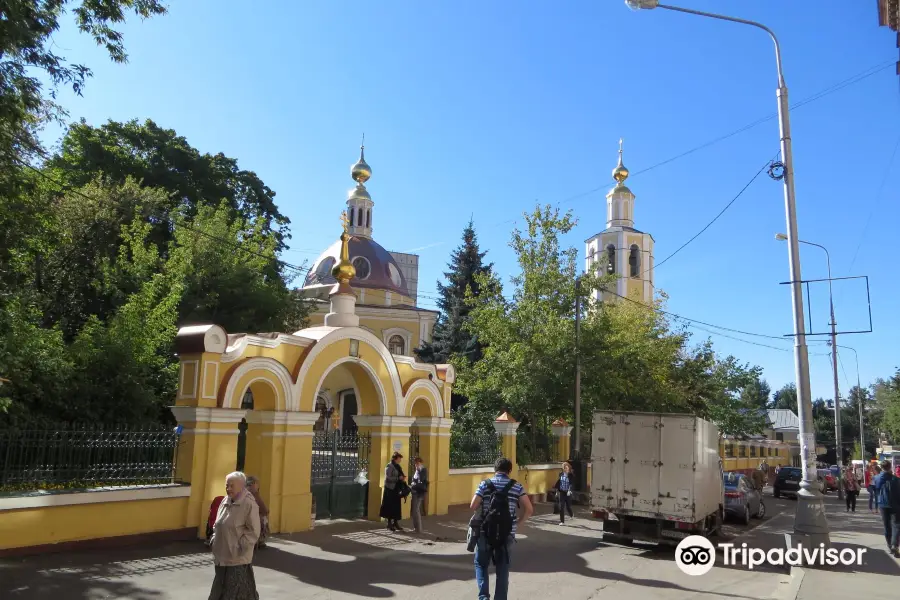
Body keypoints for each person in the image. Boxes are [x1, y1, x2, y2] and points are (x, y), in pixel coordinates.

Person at [470, 457, 534, 600]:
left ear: (495, 469)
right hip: (507, 534)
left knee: (481, 564)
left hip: (485, 532)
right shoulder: (516, 486)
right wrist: (518, 522)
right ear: (509, 471)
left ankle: (484, 597)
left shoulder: (484, 484)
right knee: (503, 569)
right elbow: (529, 509)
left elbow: (473, 506)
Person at [208, 471, 261, 600]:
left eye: (232, 486)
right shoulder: (225, 501)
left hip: (237, 559)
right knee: (219, 591)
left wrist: (239, 547)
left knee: (235, 593)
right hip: (221, 556)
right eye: (227, 485)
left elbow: (254, 531)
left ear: (241, 486)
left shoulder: (248, 504)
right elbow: (217, 523)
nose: (228, 488)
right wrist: (214, 539)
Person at [873, 460, 900, 556]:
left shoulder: (876, 478)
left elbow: (874, 492)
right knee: (896, 525)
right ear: (890, 467)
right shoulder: (896, 479)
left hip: (882, 504)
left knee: (887, 525)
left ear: (882, 467)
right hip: (895, 505)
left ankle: (889, 545)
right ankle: (894, 545)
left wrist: (875, 506)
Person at [380, 451, 406, 531]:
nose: (400, 460)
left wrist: (402, 477)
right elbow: (388, 478)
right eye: (399, 458)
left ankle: (395, 522)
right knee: (389, 506)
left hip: (396, 489)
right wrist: (398, 478)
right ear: (395, 458)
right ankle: (389, 523)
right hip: (390, 489)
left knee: (396, 506)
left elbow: (400, 474)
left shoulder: (398, 466)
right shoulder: (389, 466)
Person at [246, 476, 269, 549]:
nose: (258, 486)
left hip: (242, 517)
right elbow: (264, 509)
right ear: (254, 484)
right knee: (263, 518)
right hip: (251, 518)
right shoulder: (254, 493)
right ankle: (260, 540)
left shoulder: (241, 492)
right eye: (257, 484)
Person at [410, 457, 428, 534]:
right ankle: (416, 528)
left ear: (421, 463)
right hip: (414, 491)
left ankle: (419, 529)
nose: (416, 465)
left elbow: (421, 480)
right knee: (414, 510)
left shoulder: (423, 470)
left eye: (417, 463)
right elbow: (414, 480)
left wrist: (419, 470)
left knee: (416, 510)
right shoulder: (416, 471)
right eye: (415, 463)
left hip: (419, 492)